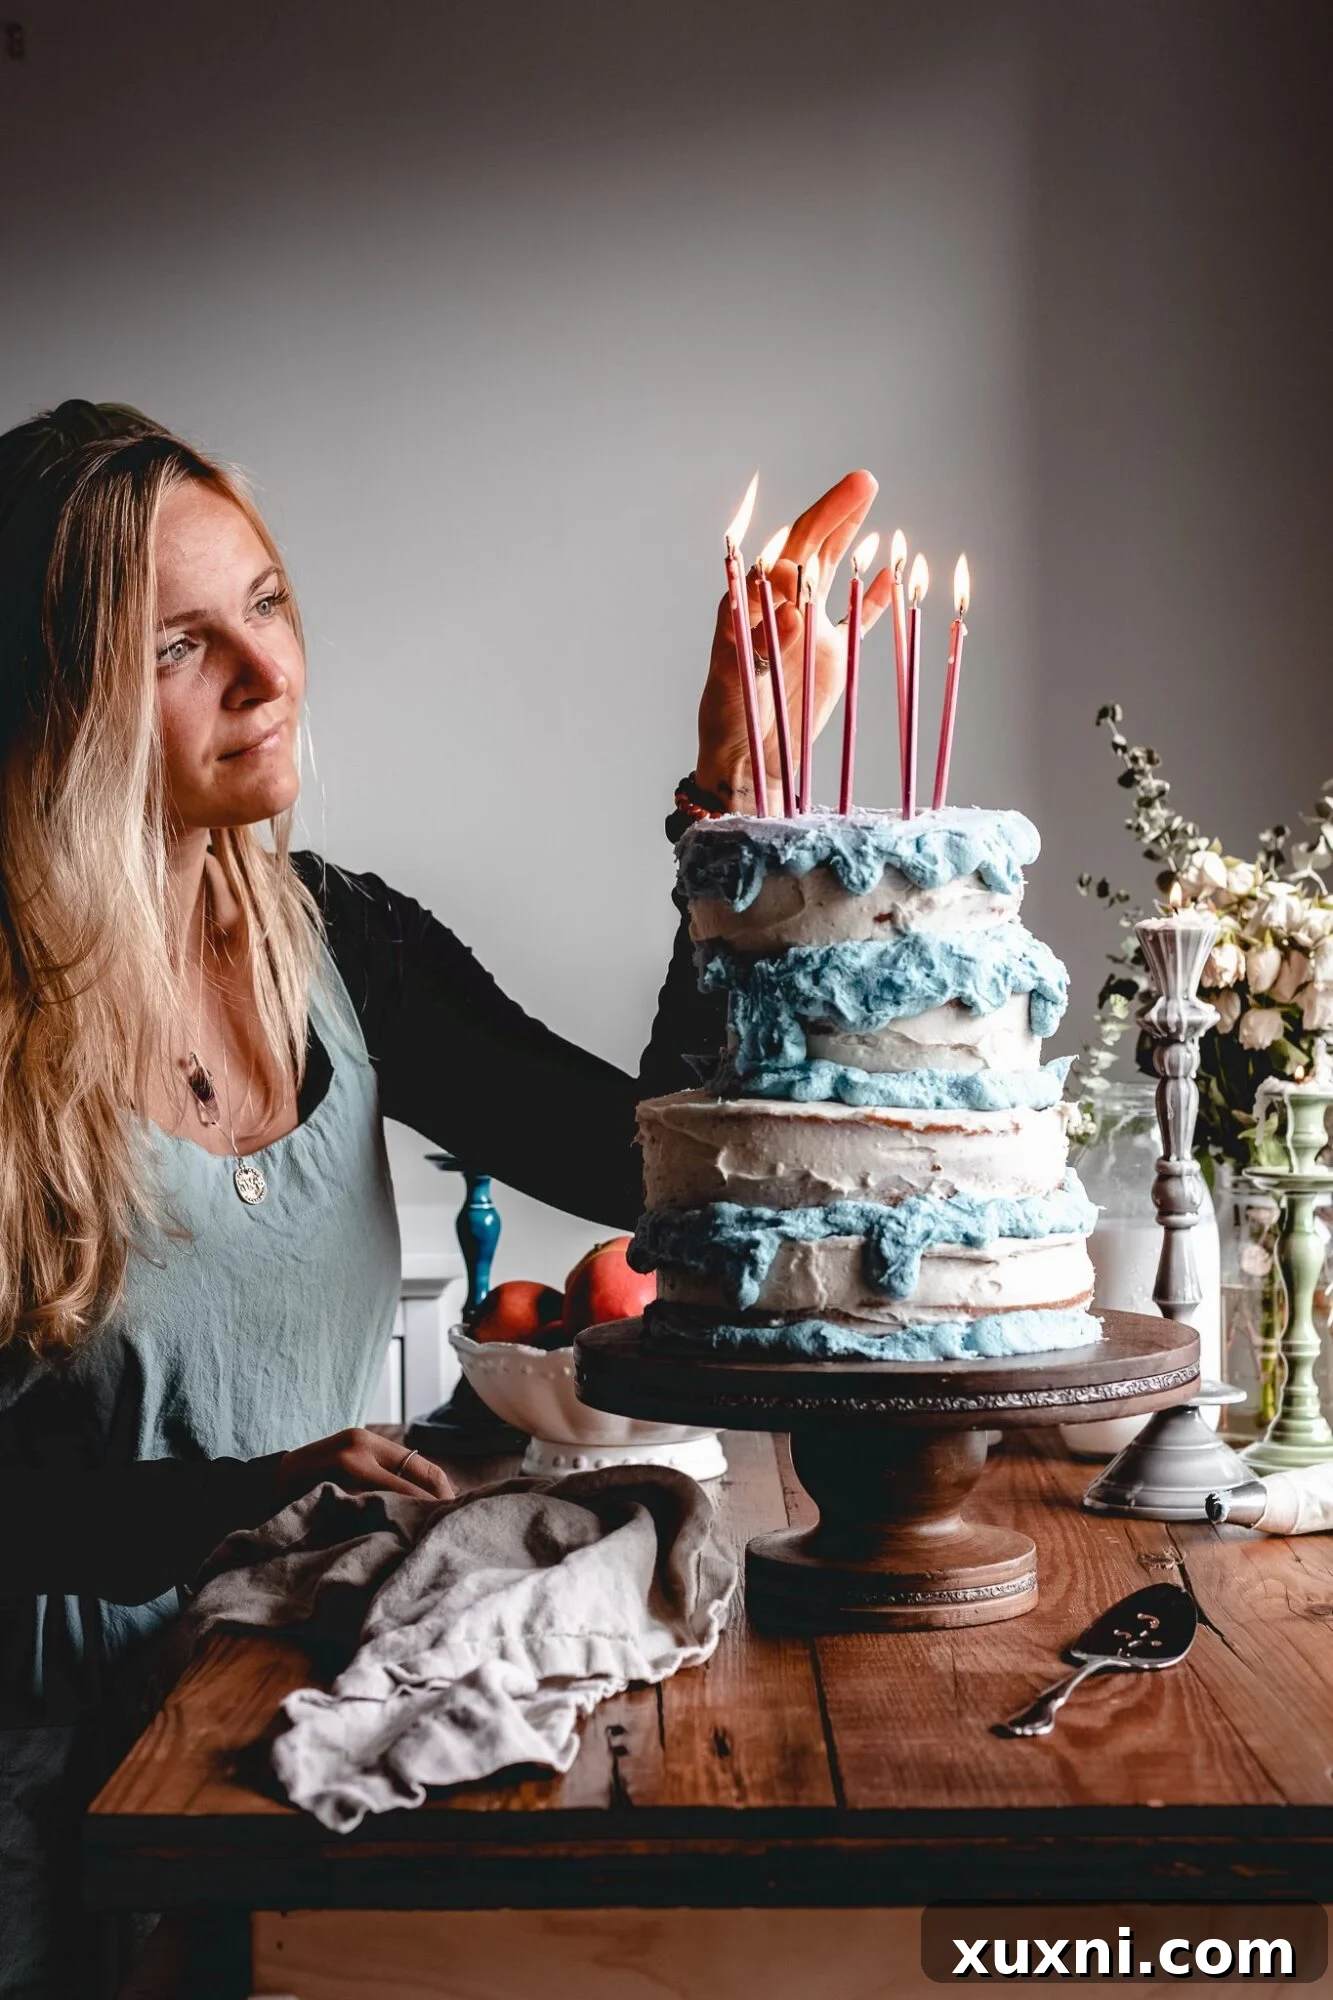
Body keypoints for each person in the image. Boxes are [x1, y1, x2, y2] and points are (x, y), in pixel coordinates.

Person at [0, 397, 890, 1996]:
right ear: (50, 697)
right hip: (45, 1783)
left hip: (281, 1729)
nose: (267, 672)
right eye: (177, 646)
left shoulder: (342, 943)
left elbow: (651, 1166)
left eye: (266, 603)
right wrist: (238, 1494)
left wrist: (730, 801)